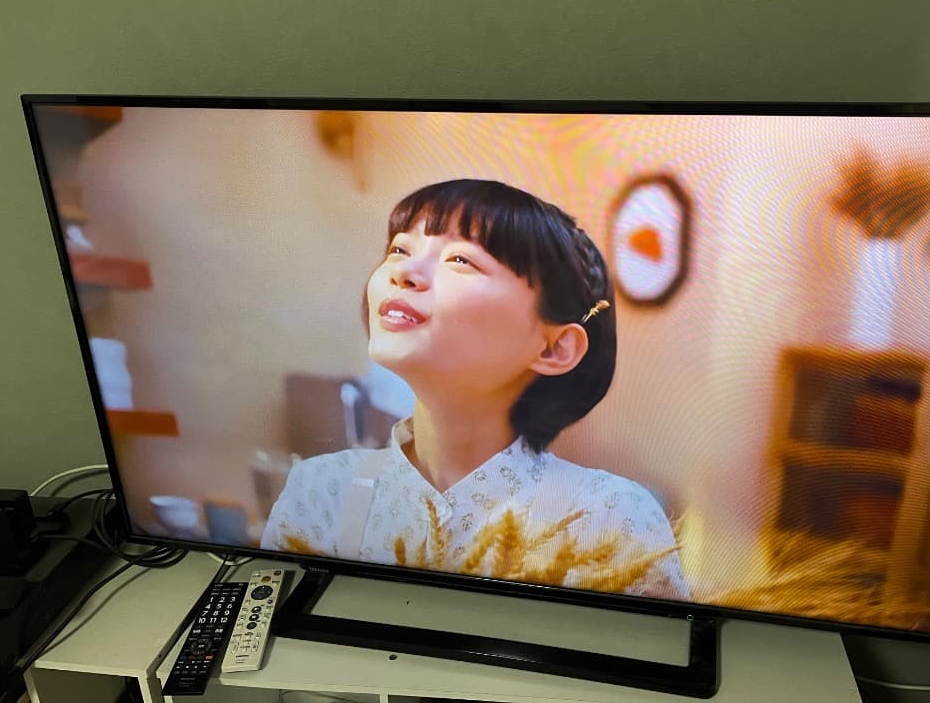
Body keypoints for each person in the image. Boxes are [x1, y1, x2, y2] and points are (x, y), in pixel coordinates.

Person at [262, 179, 689, 600]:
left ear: (554, 348)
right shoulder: (319, 491)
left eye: (461, 259)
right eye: (399, 249)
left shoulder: (609, 517)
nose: (403, 273)